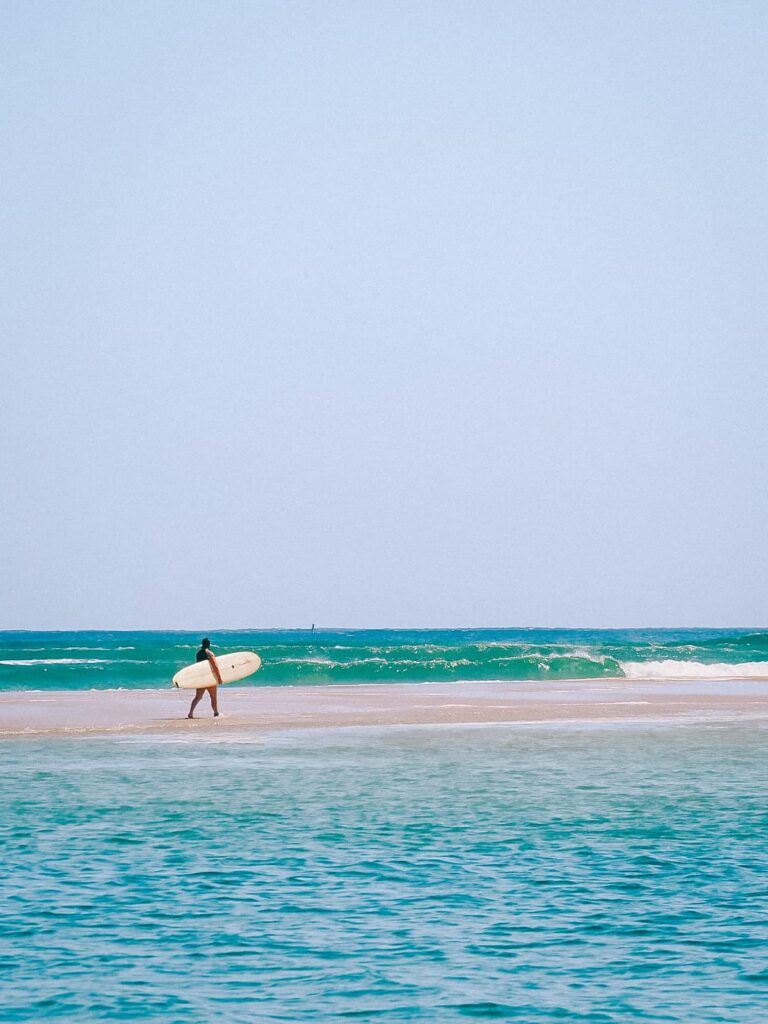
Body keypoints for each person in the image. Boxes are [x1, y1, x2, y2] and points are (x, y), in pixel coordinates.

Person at [187, 637, 223, 719]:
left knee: (198, 697)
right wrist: (219, 677)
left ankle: (191, 713)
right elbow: (215, 666)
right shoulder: (209, 653)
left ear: (202, 644)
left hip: (201, 677)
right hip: (209, 678)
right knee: (213, 697)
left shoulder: (198, 653)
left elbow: (198, 666)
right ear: (209, 645)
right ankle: (216, 713)